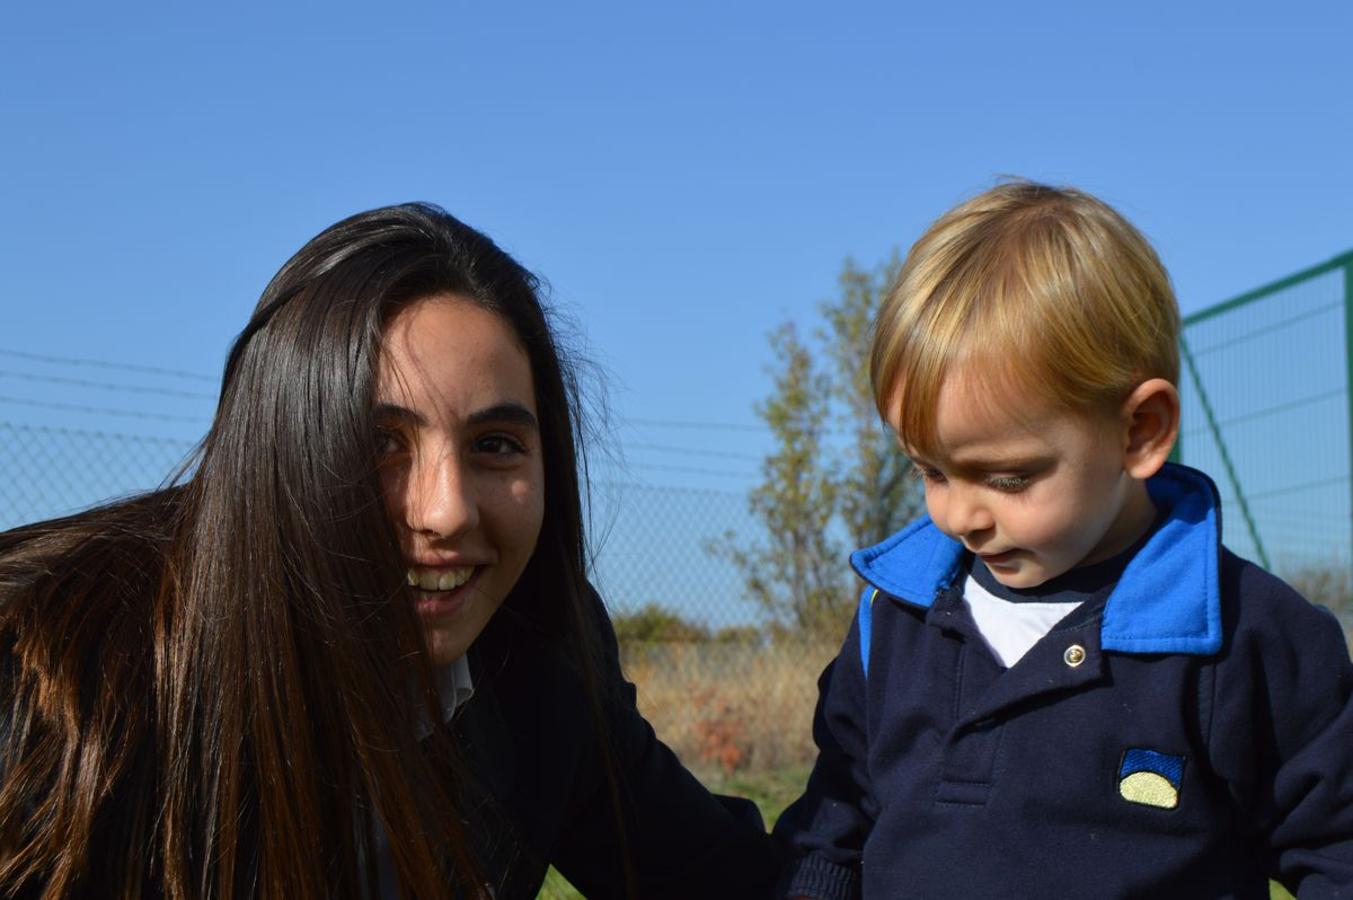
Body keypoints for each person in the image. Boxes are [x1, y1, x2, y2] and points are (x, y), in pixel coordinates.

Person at [0, 203, 785, 898]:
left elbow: (721, 880)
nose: (446, 512)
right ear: (276, 452)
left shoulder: (543, 648)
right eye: (380, 443)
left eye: (497, 444)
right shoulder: (49, 679)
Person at [774, 182, 1353, 898]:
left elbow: (1336, 850)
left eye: (1008, 478)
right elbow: (832, 830)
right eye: (929, 470)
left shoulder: (1248, 640)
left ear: (1138, 431)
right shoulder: (891, 622)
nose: (960, 516)